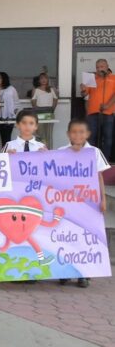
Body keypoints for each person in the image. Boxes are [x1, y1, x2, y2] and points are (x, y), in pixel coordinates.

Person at [58, 119, 110, 288]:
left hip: (88, 203)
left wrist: (102, 198)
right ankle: (65, 272)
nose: (77, 135)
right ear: (68, 134)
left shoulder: (94, 152)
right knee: (66, 237)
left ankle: (84, 274)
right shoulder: (60, 152)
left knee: (85, 239)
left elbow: (99, 177)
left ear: (87, 134)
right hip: (66, 203)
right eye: (74, 132)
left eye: (81, 132)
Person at [81, 59, 115, 161]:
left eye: (102, 67)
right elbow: (85, 94)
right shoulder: (92, 78)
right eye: (97, 67)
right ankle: (90, 161)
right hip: (92, 113)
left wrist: (108, 105)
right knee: (91, 138)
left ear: (107, 66)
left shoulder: (113, 78)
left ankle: (104, 161)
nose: (99, 69)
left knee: (108, 139)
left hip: (108, 113)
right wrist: (83, 89)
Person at [0, 72, 19, 152]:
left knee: (6, 140)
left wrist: (13, 113)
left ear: (4, 79)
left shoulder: (11, 89)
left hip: (8, 118)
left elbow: (16, 102)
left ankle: (6, 157)